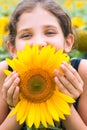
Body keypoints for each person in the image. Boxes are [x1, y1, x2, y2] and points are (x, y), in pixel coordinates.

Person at [0, 0, 87, 130]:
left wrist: (65, 103)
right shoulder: (5, 73)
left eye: (50, 32)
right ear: (12, 48)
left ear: (68, 42)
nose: (38, 43)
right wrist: (20, 105)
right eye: (26, 35)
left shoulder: (81, 71)